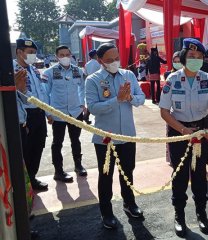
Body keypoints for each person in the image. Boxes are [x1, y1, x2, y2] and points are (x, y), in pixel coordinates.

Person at [159, 38, 208, 237]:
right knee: (179, 175)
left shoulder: (207, 78)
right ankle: (179, 215)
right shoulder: (173, 79)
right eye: (192, 56)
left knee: (199, 174)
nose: (195, 59)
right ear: (184, 57)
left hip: (201, 131)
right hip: (179, 132)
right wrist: (181, 129)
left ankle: (201, 214)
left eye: (199, 57)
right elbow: (164, 111)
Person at [86, 43, 145, 229]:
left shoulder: (128, 75)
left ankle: (129, 203)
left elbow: (141, 97)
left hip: (127, 136)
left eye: (116, 58)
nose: (114, 62)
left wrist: (130, 98)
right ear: (100, 60)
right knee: (106, 176)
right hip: (105, 139)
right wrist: (116, 100)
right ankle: (106, 211)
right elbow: (93, 108)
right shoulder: (93, 80)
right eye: (109, 60)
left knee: (127, 171)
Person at [42, 45, 87, 183]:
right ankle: (58, 170)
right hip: (58, 113)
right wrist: (48, 113)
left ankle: (78, 166)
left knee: (76, 140)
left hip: (75, 112)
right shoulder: (50, 72)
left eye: (67, 54)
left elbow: (83, 88)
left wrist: (82, 103)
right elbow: (45, 93)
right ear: (57, 57)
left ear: (71, 55)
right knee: (57, 142)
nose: (65, 57)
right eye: (62, 55)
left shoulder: (78, 71)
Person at [13, 38, 48, 191]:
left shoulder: (33, 69)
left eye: (35, 52)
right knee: (26, 150)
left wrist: (47, 112)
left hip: (39, 113)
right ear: (19, 52)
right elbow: (22, 98)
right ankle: (25, 184)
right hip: (26, 116)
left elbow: (42, 92)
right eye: (30, 52)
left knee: (38, 146)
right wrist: (21, 89)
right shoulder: (12, 71)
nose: (33, 55)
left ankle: (32, 177)